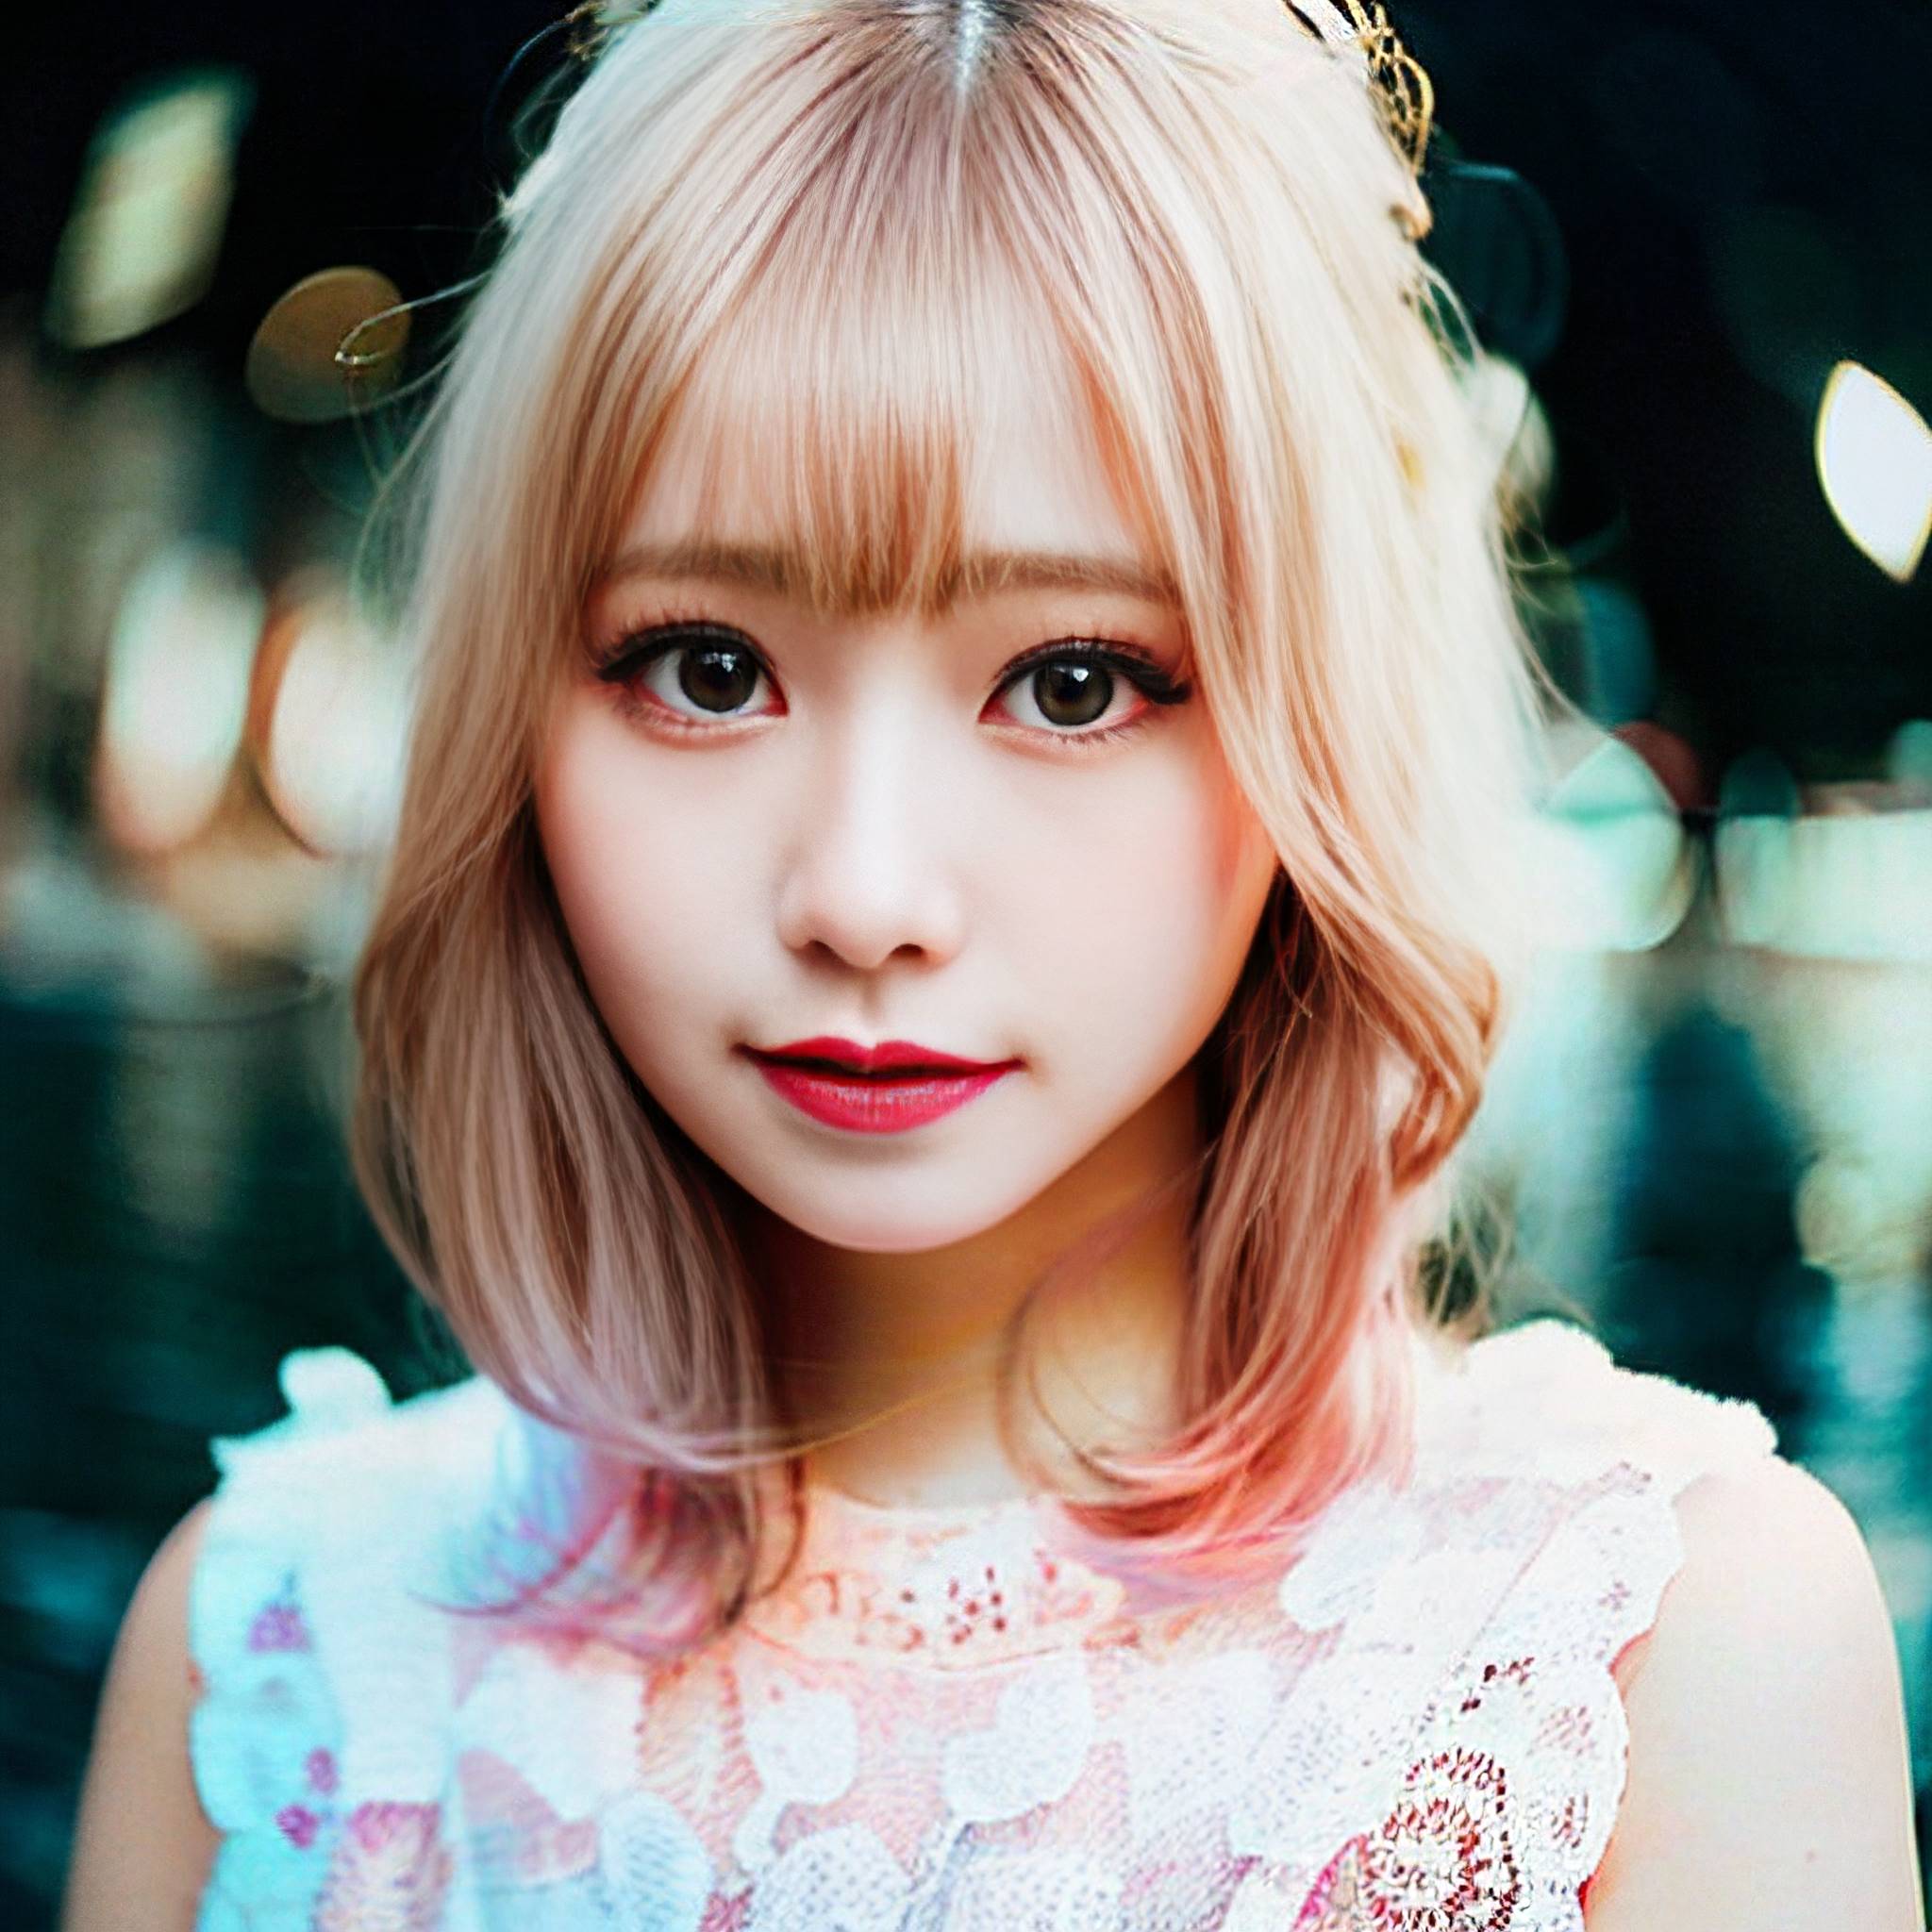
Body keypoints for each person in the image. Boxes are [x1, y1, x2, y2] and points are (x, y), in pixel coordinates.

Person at [63, 2, 1924, 1927]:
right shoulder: (275, 1655)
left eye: (1069, 680)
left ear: (1310, 728)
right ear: (514, 719)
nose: (866, 892)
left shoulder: (1640, 1660)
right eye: (707, 667)